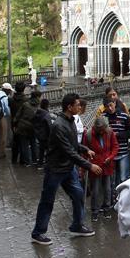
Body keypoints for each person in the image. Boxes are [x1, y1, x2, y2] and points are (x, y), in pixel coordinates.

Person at [31, 93, 102, 244]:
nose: (80, 107)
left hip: (68, 168)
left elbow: (73, 144)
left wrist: (85, 149)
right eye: (77, 105)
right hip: (55, 169)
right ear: (69, 107)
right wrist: (89, 165)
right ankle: (38, 232)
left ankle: (77, 225)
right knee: (47, 200)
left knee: (78, 194)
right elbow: (68, 150)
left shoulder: (70, 121)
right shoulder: (59, 125)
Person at [83, 116, 118, 221]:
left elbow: (115, 147)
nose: (102, 132)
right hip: (95, 167)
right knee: (95, 190)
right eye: (100, 130)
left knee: (108, 189)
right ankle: (95, 211)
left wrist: (110, 157)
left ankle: (106, 209)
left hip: (107, 165)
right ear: (96, 128)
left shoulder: (109, 132)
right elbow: (84, 150)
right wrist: (85, 167)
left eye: (104, 129)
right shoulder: (89, 134)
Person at [102, 94, 130, 192]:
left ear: (115, 103)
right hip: (109, 154)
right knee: (112, 178)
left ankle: (123, 196)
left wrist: (118, 135)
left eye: (111, 105)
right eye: (107, 107)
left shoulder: (124, 116)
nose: (110, 108)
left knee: (123, 178)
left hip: (122, 152)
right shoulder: (103, 117)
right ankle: (113, 196)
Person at [14, 89, 38, 166]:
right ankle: (35, 160)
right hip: (33, 127)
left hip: (23, 126)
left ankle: (26, 162)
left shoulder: (25, 104)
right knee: (33, 143)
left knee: (24, 144)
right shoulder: (39, 106)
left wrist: (15, 124)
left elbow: (18, 115)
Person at [9, 82, 29, 164]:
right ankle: (23, 160)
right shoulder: (26, 100)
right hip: (23, 123)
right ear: (24, 89)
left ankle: (14, 159)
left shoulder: (11, 99)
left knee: (15, 141)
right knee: (23, 142)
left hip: (14, 122)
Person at [32, 98, 53, 168]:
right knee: (49, 150)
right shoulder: (46, 114)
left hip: (39, 134)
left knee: (41, 150)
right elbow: (49, 125)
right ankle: (48, 164)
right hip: (46, 135)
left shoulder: (37, 113)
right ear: (47, 105)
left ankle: (40, 163)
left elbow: (34, 123)